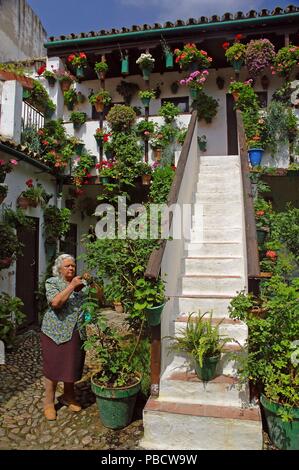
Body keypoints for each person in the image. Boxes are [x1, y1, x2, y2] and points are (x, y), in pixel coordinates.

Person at [40, 254, 87, 420]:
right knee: (53, 368)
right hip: (55, 331)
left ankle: (68, 396)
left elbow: (90, 303)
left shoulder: (81, 285)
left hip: (76, 331)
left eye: (73, 266)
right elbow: (55, 303)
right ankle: (49, 403)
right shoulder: (52, 282)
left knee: (71, 366)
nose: (71, 268)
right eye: (67, 266)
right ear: (59, 268)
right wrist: (72, 286)